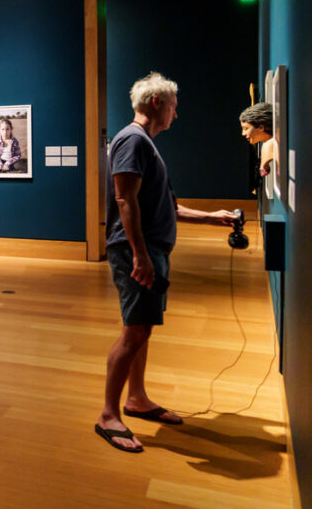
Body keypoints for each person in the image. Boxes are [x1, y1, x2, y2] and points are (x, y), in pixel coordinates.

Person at [95, 72, 237, 453]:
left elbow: (164, 206)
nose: (177, 113)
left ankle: (136, 398)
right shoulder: (132, 140)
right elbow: (125, 200)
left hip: (150, 249)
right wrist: (140, 255)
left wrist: (211, 217)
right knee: (134, 331)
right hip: (136, 250)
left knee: (142, 328)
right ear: (157, 102)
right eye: (174, 105)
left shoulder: (145, 144)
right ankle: (109, 415)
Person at [239, 102, 276, 177]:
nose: (243, 133)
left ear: (261, 127)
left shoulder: (268, 146)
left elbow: (263, 172)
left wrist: (263, 166)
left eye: (246, 128)